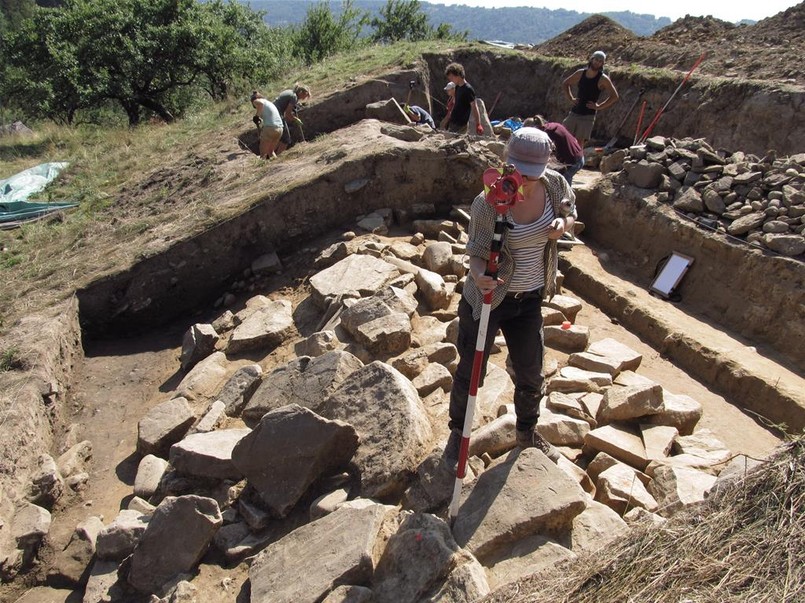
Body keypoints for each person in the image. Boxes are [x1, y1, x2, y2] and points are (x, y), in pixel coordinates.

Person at [443, 127, 577, 471]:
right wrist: (478, 275)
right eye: (521, 172)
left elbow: (570, 212)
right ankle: (458, 434)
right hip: (488, 299)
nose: (527, 180)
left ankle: (527, 432)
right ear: (507, 163)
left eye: (534, 173)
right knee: (471, 371)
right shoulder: (488, 201)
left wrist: (563, 224)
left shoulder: (555, 186)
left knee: (531, 372)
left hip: (529, 298)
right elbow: (475, 251)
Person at [561, 50, 619, 151]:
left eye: (600, 61)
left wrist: (599, 106)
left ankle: (577, 160)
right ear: (591, 59)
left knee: (579, 143)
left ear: (602, 64)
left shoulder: (603, 79)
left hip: (588, 116)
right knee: (564, 136)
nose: (597, 62)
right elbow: (566, 83)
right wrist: (571, 98)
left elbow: (614, 96)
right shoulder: (581, 73)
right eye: (596, 59)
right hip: (574, 112)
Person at [527, 114, 585, 186]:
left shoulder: (545, 135)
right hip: (578, 156)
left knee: (563, 185)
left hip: (574, 161)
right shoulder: (552, 126)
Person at [444, 62, 483, 135]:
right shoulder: (457, 87)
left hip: (461, 125)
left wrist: (478, 124)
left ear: (458, 75)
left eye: (452, 77)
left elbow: (474, 107)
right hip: (453, 122)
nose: (451, 80)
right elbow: (456, 103)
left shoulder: (468, 89)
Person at [273, 83, 312, 154]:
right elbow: (287, 114)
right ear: (300, 92)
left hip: (272, 113)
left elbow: (285, 105)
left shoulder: (290, 92)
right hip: (276, 114)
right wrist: (296, 119)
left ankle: (268, 155)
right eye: (305, 96)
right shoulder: (294, 97)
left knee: (280, 138)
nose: (304, 98)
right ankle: (276, 157)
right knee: (286, 139)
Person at [250, 91, 284, 160]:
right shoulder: (269, 103)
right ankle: (276, 164)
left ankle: (263, 165)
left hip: (270, 128)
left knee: (263, 154)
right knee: (270, 152)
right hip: (280, 129)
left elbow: (260, 104)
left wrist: (256, 116)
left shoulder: (256, 101)